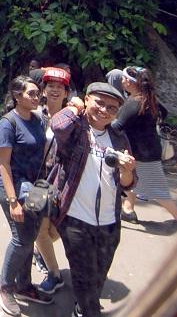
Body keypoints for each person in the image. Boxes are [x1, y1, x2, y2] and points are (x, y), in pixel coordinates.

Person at [50, 83, 137, 317]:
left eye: (112, 107)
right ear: (87, 99)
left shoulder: (118, 137)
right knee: (84, 276)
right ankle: (87, 311)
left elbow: (129, 183)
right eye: (99, 102)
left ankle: (82, 305)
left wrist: (127, 170)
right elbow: (56, 125)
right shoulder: (76, 129)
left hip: (109, 222)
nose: (104, 110)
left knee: (98, 274)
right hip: (75, 218)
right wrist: (74, 106)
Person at [0, 77, 54, 315]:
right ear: (17, 96)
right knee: (22, 237)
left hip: (35, 185)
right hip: (11, 186)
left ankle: (24, 285)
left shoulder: (38, 120)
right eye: (31, 94)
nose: (36, 97)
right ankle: (4, 285)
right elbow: (4, 165)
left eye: (38, 93)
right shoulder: (8, 124)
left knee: (32, 231)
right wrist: (12, 202)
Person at [109, 67, 177, 226]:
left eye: (123, 78)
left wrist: (102, 127)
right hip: (148, 149)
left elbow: (117, 126)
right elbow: (164, 112)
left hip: (142, 153)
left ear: (129, 82)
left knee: (157, 188)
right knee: (131, 179)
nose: (122, 81)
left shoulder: (134, 102)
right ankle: (128, 210)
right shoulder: (147, 99)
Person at [33, 66, 71, 295]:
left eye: (60, 87)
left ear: (67, 93)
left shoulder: (73, 118)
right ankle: (55, 273)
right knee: (40, 230)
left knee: (56, 230)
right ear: (44, 90)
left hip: (64, 183)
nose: (55, 91)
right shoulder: (36, 116)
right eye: (51, 86)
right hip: (39, 182)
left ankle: (41, 251)